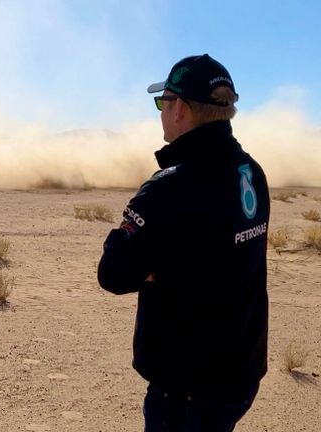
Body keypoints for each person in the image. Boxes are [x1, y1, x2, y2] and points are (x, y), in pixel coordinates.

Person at [97, 54, 270, 431]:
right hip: (239, 374)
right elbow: (220, 251)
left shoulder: (169, 188)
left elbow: (113, 274)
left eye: (163, 102)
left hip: (189, 388)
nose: (160, 112)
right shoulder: (251, 172)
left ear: (179, 109)